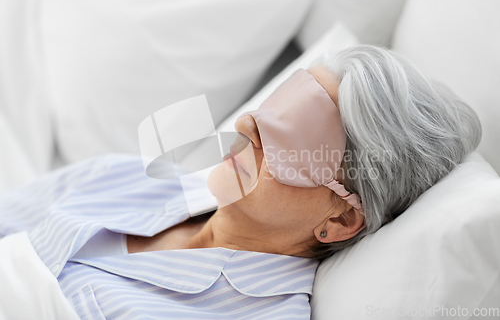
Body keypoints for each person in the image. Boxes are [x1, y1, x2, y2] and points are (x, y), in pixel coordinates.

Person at [0, 45, 481, 319]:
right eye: (276, 105)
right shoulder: (124, 175)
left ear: (341, 218)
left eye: (295, 137)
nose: (249, 124)